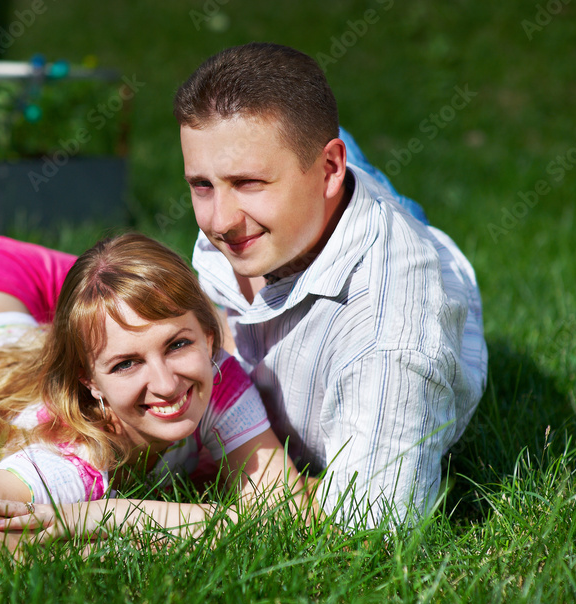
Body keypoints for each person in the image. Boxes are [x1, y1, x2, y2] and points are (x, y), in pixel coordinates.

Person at [175, 43, 487, 528]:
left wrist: (111, 521)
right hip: (329, 194)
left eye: (249, 182)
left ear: (328, 170)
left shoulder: (390, 342)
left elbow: (373, 529)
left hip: (389, 245)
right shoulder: (247, 213)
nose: (219, 221)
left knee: (383, 202)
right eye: (201, 185)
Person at [0, 233, 314, 567]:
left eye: (178, 345)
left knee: (127, 307)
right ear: (89, 384)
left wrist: (106, 517)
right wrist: (92, 535)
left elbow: (280, 515)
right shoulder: (70, 461)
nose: (166, 384)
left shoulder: (215, 372)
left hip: (26, 288)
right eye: (126, 365)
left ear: (210, 340)